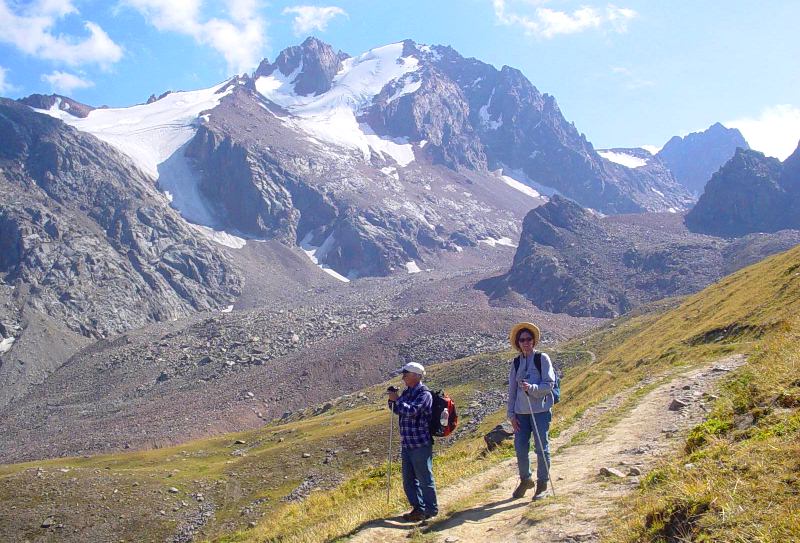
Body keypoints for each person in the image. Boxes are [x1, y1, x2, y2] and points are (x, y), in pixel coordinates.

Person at [507, 322, 556, 499]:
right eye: (522, 340)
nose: (526, 342)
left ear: (534, 341)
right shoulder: (516, 362)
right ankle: (526, 479)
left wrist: (532, 388)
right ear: (518, 343)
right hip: (521, 413)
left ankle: (542, 484)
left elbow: (549, 384)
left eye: (529, 339)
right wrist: (511, 415)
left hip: (540, 411)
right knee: (520, 447)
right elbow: (512, 390)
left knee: (541, 447)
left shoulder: (542, 359)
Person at [387, 362, 439, 522]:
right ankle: (418, 509)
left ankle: (431, 510)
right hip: (408, 444)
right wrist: (392, 400)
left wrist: (397, 400)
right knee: (408, 479)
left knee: (424, 478)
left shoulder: (425, 394)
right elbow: (397, 410)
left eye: (406, 374)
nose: (403, 378)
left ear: (416, 376)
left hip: (420, 444)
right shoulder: (407, 392)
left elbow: (411, 411)